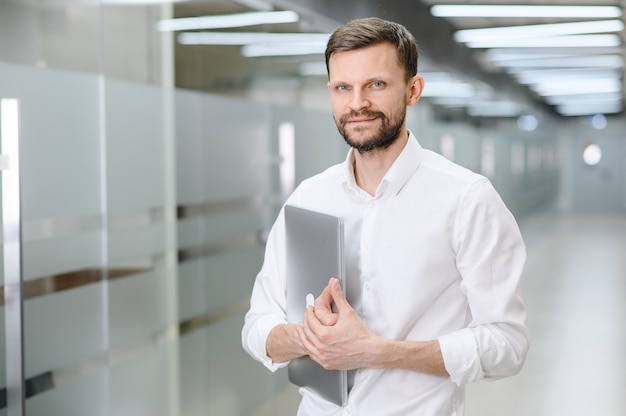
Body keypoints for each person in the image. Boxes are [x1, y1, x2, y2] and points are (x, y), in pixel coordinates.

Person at [242, 17, 530, 416]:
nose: (357, 103)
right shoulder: (308, 198)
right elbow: (257, 329)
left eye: (375, 85)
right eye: (344, 88)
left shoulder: (466, 199)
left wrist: (380, 352)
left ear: (413, 90)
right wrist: (307, 338)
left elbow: (507, 345)